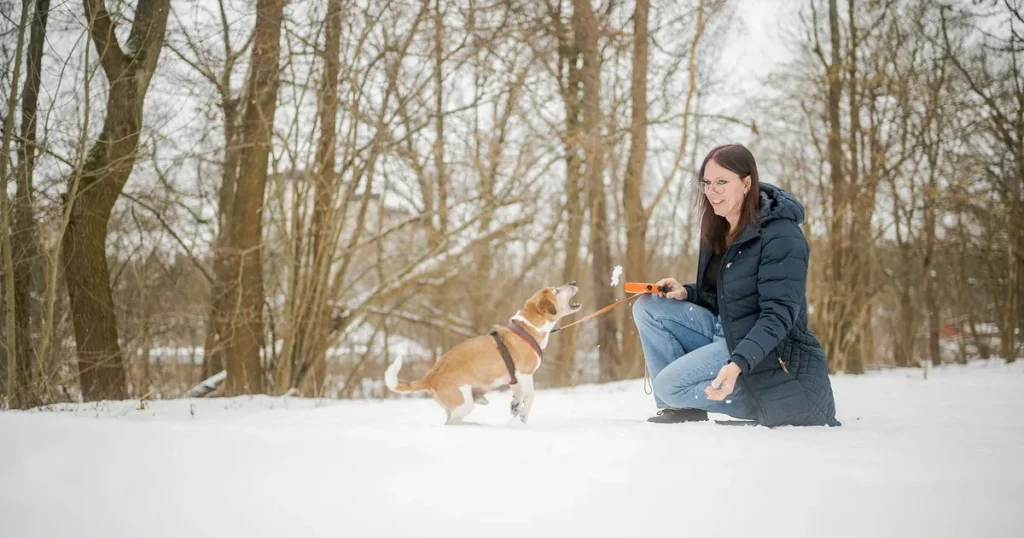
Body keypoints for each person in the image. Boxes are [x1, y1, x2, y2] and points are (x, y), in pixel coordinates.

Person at [632, 143, 840, 427]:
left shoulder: (782, 235)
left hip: (765, 349)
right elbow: (728, 297)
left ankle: (759, 400)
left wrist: (737, 364)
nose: (712, 191)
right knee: (649, 307)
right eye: (706, 183)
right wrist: (688, 293)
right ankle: (681, 406)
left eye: (721, 182)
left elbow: (778, 316)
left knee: (668, 386)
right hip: (726, 331)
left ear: (746, 183)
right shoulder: (719, 228)